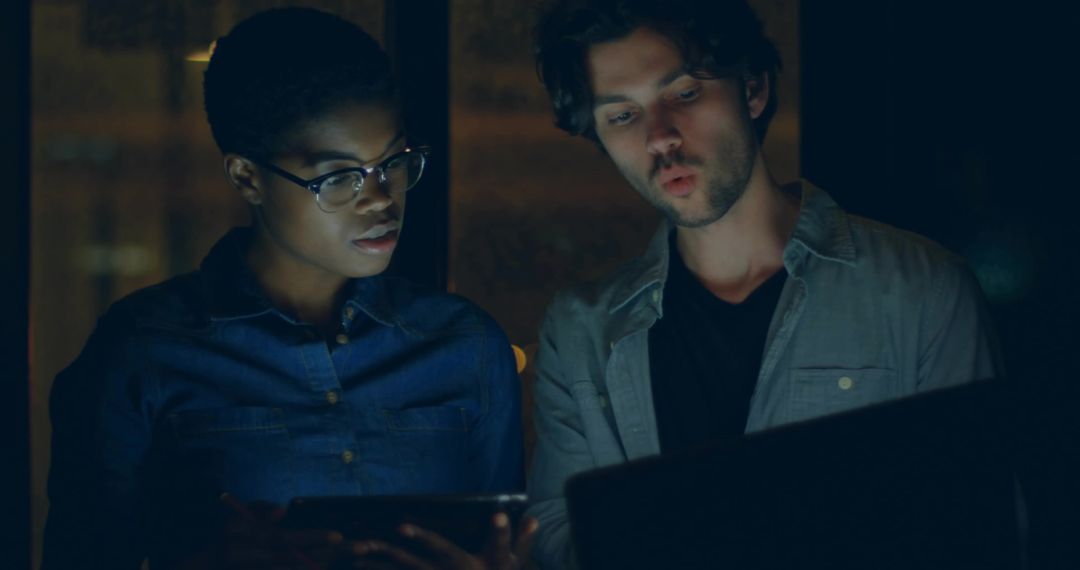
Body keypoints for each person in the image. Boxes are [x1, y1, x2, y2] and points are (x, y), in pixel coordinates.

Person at [43, 8, 534, 569]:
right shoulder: (144, 350)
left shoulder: (465, 346)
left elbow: (510, 544)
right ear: (247, 177)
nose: (380, 199)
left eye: (392, 163)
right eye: (339, 176)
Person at [526, 0, 1004, 567]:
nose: (660, 138)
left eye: (684, 93)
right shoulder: (579, 332)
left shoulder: (921, 290)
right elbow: (556, 541)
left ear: (751, 89)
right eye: (623, 116)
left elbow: (976, 531)